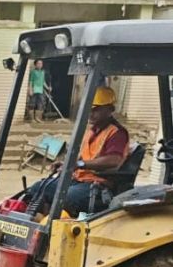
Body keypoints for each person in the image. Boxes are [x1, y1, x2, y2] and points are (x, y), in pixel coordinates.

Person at [25, 86, 129, 216]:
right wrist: (66, 164)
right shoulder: (91, 131)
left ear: (110, 109)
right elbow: (83, 157)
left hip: (97, 185)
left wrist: (79, 165)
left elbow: (114, 160)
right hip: (78, 180)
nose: (91, 113)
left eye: (96, 110)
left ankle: (55, 226)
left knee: (66, 197)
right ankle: (40, 225)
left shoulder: (117, 133)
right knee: (39, 188)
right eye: (89, 109)